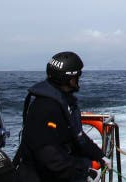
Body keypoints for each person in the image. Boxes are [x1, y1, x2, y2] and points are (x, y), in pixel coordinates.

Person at [14, 51, 108, 182]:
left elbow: (78, 135)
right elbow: (49, 156)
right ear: (69, 79)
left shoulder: (64, 102)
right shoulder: (45, 108)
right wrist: (83, 171)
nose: (78, 81)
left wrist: (99, 155)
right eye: (77, 77)